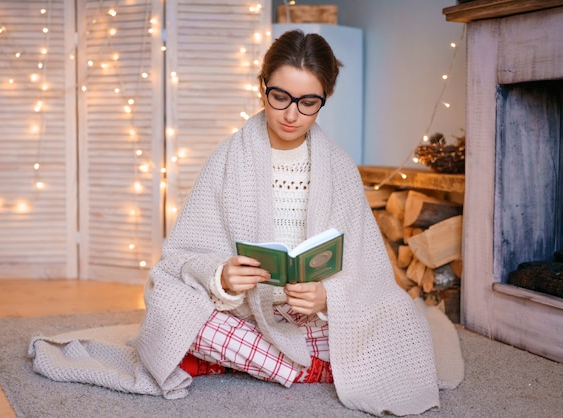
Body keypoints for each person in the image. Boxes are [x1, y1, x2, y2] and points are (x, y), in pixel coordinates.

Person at [30, 29, 463, 416]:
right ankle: (306, 370)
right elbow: (180, 255)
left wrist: (327, 297)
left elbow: (369, 270)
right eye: (281, 97)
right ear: (263, 87)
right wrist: (221, 274)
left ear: (324, 99)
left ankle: (254, 362)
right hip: (242, 315)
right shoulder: (227, 158)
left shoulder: (340, 168)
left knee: (397, 318)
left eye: (308, 102)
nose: (291, 114)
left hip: (310, 321)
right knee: (171, 307)